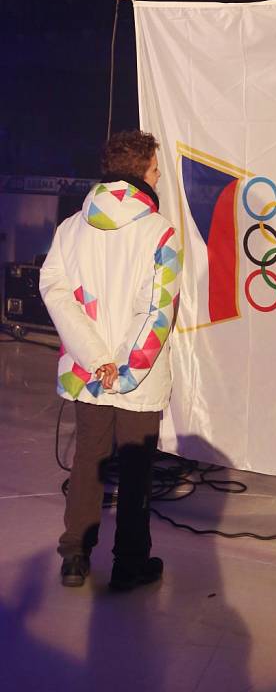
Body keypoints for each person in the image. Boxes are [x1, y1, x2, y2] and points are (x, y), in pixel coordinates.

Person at [40, 130, 182, 591]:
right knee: (136, 470)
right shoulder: (159, 232)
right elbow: (158, 311)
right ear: (141, 172)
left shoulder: (71, 228)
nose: (159, 176)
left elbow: (56, 293)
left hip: (89, 372)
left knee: (89, 460)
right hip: (135, 378)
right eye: (156, 169)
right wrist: (123, 368)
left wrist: (96, 358)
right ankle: (130, 564)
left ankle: (76, 556)